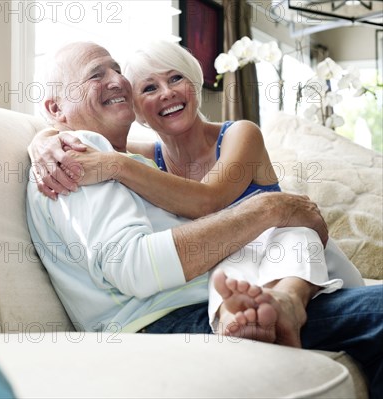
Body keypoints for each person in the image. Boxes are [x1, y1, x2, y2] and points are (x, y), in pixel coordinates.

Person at [25, 41, 382, 397]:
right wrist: (46, 138)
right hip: (175, 320)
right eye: (96, 75)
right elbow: (135, 265)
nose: (116, 79)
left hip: (273, 276)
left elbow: (208, 204)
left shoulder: (131, 160)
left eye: (116, 70)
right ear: (56, 108)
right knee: (270, 221)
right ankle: (254, 310)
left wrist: (67, 143)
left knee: (278, 228)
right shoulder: (79, 155)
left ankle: (284, 300)